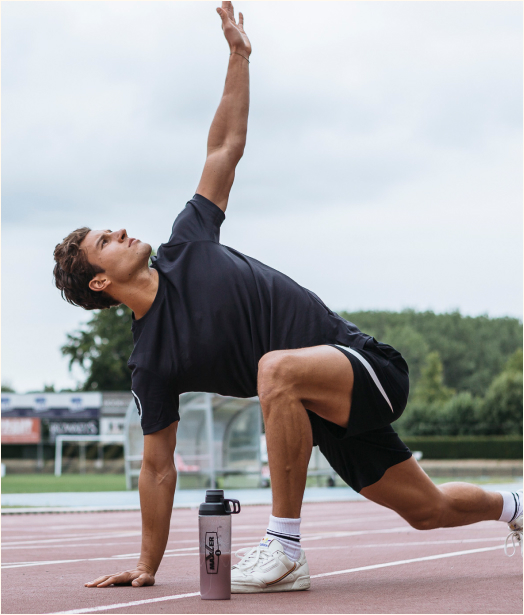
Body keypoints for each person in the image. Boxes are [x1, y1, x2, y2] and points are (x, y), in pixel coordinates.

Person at [53, 2, 522, 593]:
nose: (119, 230)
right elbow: (157, 467)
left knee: (273, 367)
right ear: (100, 281)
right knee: (426, 510)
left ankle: (285, 546)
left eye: (111, 227)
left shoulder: (189, 242)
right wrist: (148, 564)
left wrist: (238, 56)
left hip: (365, 367)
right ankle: (516, 505)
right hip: (315, 411)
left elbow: (225, 146)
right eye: (105, 240)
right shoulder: (152, 360)